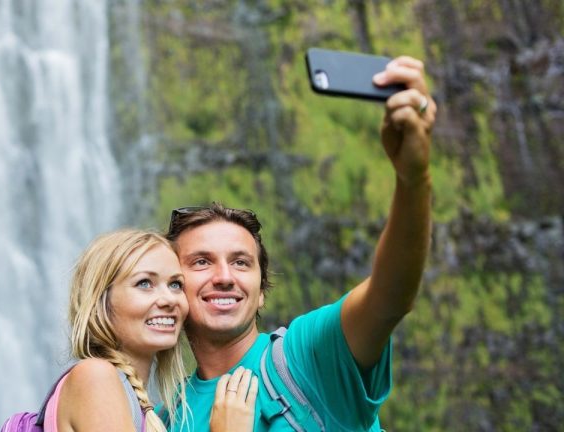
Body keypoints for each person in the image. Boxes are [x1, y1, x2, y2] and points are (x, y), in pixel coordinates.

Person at [163, 56, 436, 431]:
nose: (225, 276)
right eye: (201, 262)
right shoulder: (165, 418)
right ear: (172, 291)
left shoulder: (306, 357)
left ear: (261, 293)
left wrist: (413, 179)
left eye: (242, 262)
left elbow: (391, 295)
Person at [43, 229, 258, 432]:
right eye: (145, 283)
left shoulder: (145, 406)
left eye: (175, 285)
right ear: (101, 303)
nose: (169, 300)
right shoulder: (95, 377)